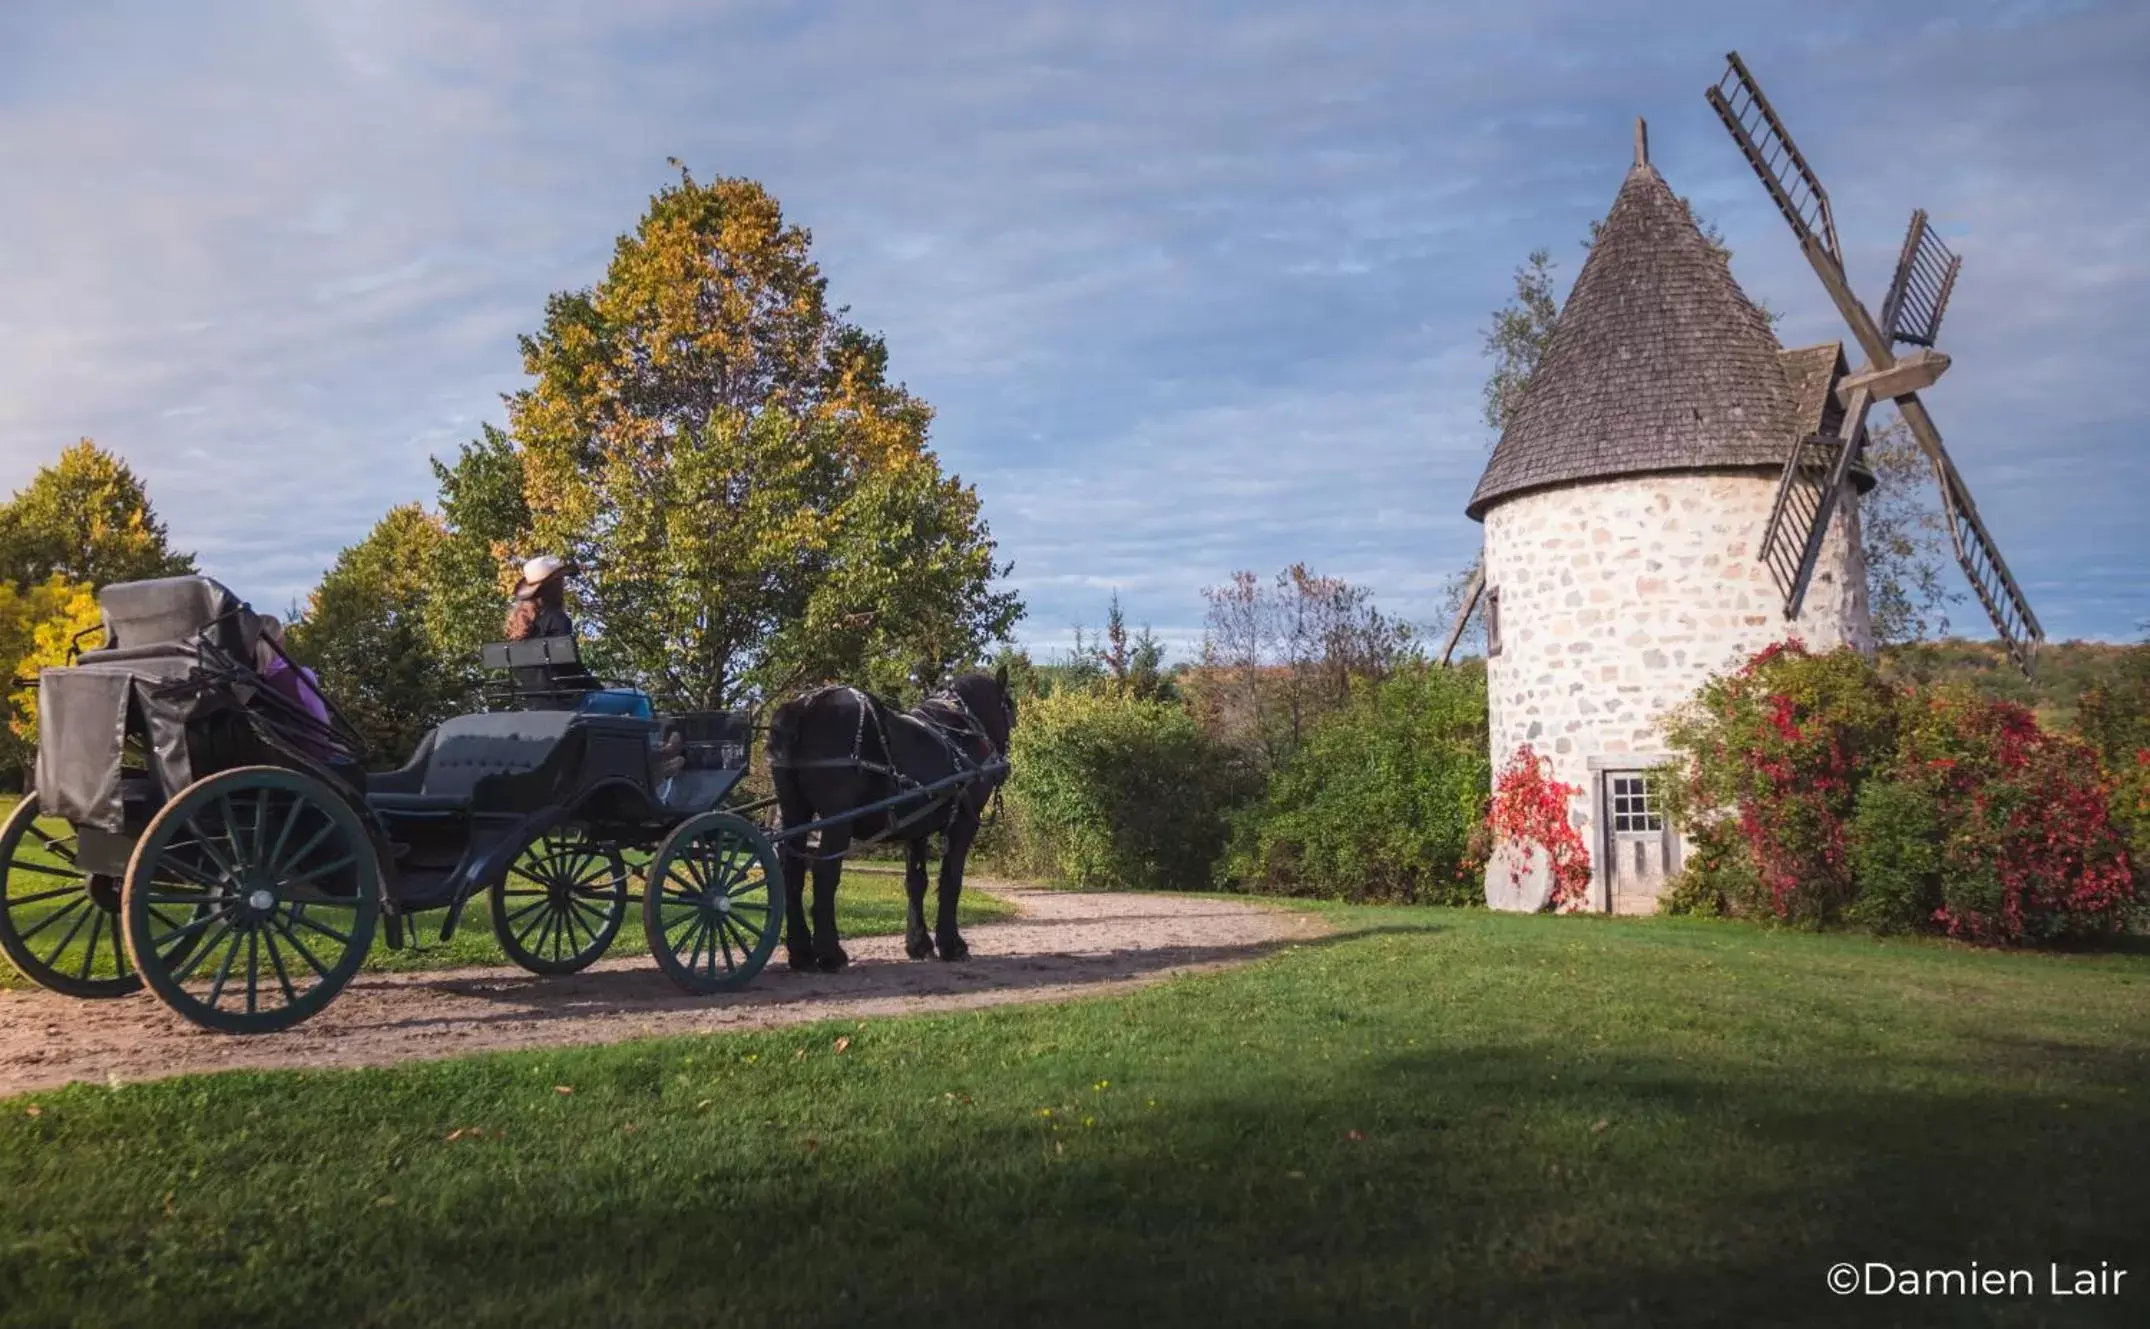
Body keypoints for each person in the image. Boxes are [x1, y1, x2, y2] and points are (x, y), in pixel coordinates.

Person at [505, 555, 577, 642]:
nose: (563, 585)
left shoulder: (520, 624)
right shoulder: (558, 620)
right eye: (561, 579)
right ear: (554, 585)